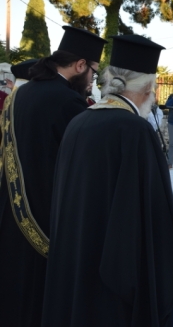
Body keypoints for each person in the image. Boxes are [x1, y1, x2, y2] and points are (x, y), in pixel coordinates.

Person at [42, 34, 173, 327]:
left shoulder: (80, 120)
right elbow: (154, 216)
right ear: (149, 89)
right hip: (112, 281)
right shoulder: (135, 131)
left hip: (76, 259)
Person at [0, 26, 106, 326]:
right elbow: (81, 169)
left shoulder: (20, 94)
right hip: (46, 218)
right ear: (80, 65)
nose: (91, 82)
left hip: (11, 211)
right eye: (93, 74)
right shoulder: (69, 103)